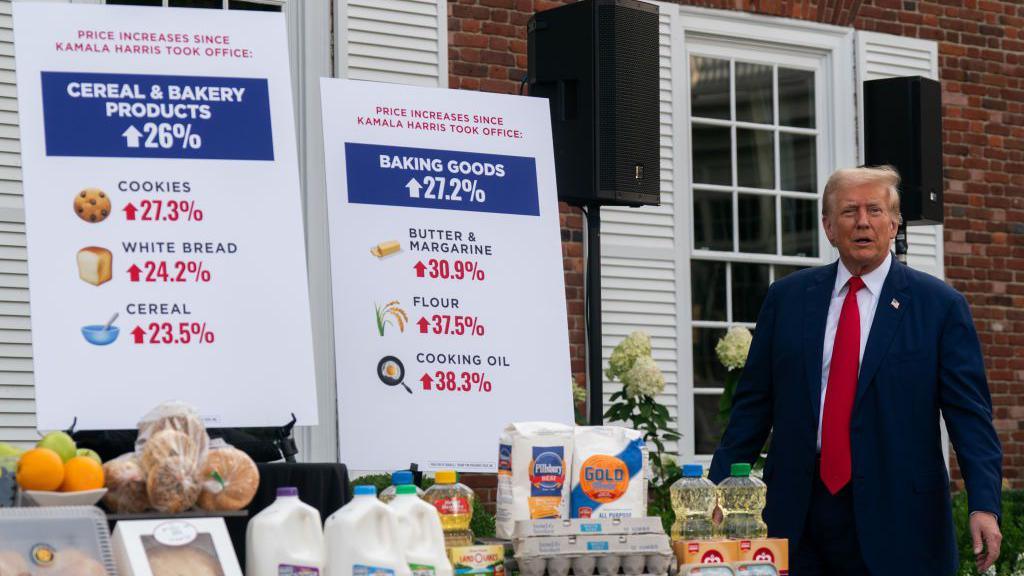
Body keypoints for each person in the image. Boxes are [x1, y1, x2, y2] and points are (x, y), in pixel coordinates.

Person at [708, 166, 1002, 575]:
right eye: (849, 211)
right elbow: (752, 408)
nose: (863, 221)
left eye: (875, 210)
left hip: (902, 521)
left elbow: (970, 419)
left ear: (894, 223)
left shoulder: (938, 306)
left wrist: (984, 504)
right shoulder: (787, 299)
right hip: (798, 515)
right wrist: (716, 493)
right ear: (829, 227)